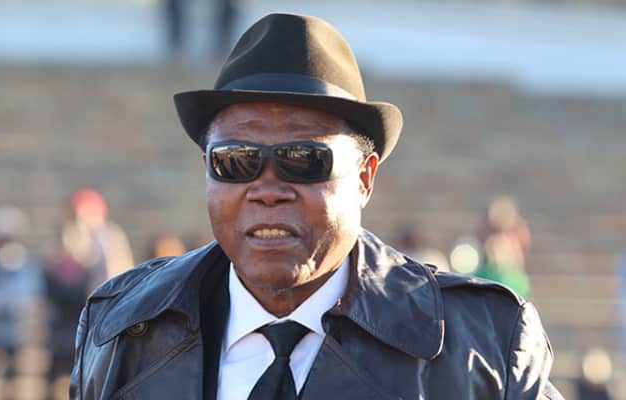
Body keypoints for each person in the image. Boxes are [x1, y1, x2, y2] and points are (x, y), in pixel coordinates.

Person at [70, 13, 564, 399]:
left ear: (365, 178)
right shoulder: (122, 331)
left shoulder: (483, 346)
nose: (266, 189)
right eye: (235, 161)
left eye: (303, 160)